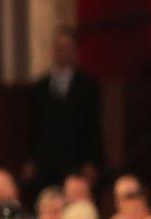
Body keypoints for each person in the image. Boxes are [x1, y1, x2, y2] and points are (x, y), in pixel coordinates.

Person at [27, 27, 103, 188]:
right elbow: (33, 126)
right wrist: (31, 160)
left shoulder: (88, 86)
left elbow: (93, 126)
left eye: (67, 48)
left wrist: (91, 161)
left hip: (76, 160)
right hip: (46, 164)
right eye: (59, 48)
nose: (62, 52)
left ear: (75, 51)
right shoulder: (40, 87)